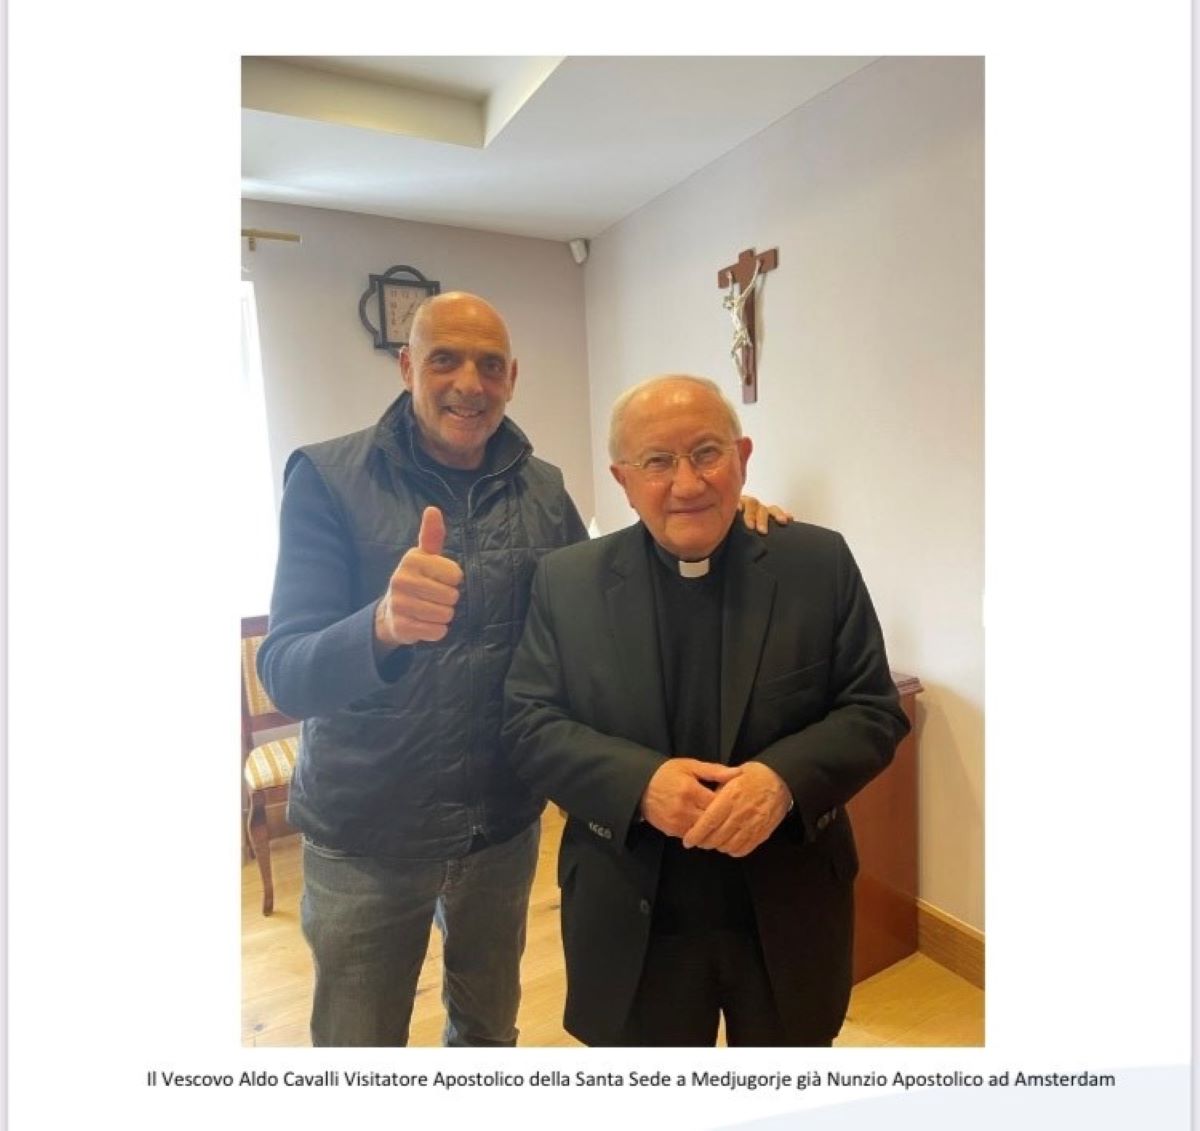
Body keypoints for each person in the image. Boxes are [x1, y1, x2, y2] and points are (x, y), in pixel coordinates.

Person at [256, 295, 784, 1047]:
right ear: (407, 366)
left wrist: (714, 513)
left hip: (501, 828)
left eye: (489, 365)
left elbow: (612, 589)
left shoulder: (542, 487)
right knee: (359, 1050)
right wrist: (381, 625)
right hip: (368, 832)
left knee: (488, 1037)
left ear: (511, 378)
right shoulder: (327, 478)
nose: (469, 383)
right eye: (444, 359)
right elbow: (285, 672)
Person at [502, 374, 910, 1047]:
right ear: (623, 480)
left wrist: (783, 781)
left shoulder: (817, 563)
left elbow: (873, 709)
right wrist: (641, 785)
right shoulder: (568, 581)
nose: (687, 483)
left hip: (787, 905)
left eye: (707, 453)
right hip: (635, 914)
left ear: (742, 457)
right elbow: (528, 723)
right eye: (657, 461)